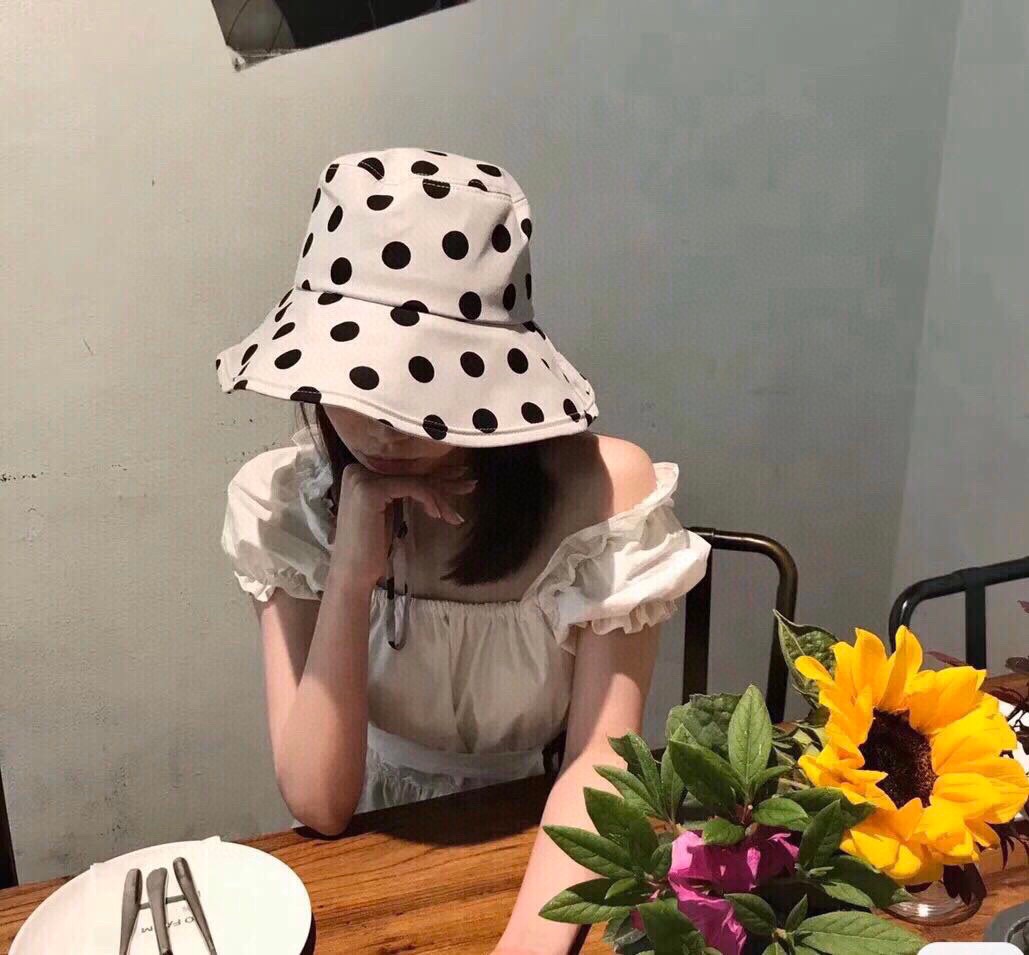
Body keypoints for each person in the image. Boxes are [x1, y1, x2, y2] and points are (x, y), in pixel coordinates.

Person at [215, 146, 711, 954]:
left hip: (547, 835)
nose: (382, 421)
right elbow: (319, 802)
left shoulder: (604, 495)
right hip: (370, 851)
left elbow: (598, 763)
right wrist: (350, 574)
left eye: (420, 380)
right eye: (356, 376)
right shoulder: (283, 503)